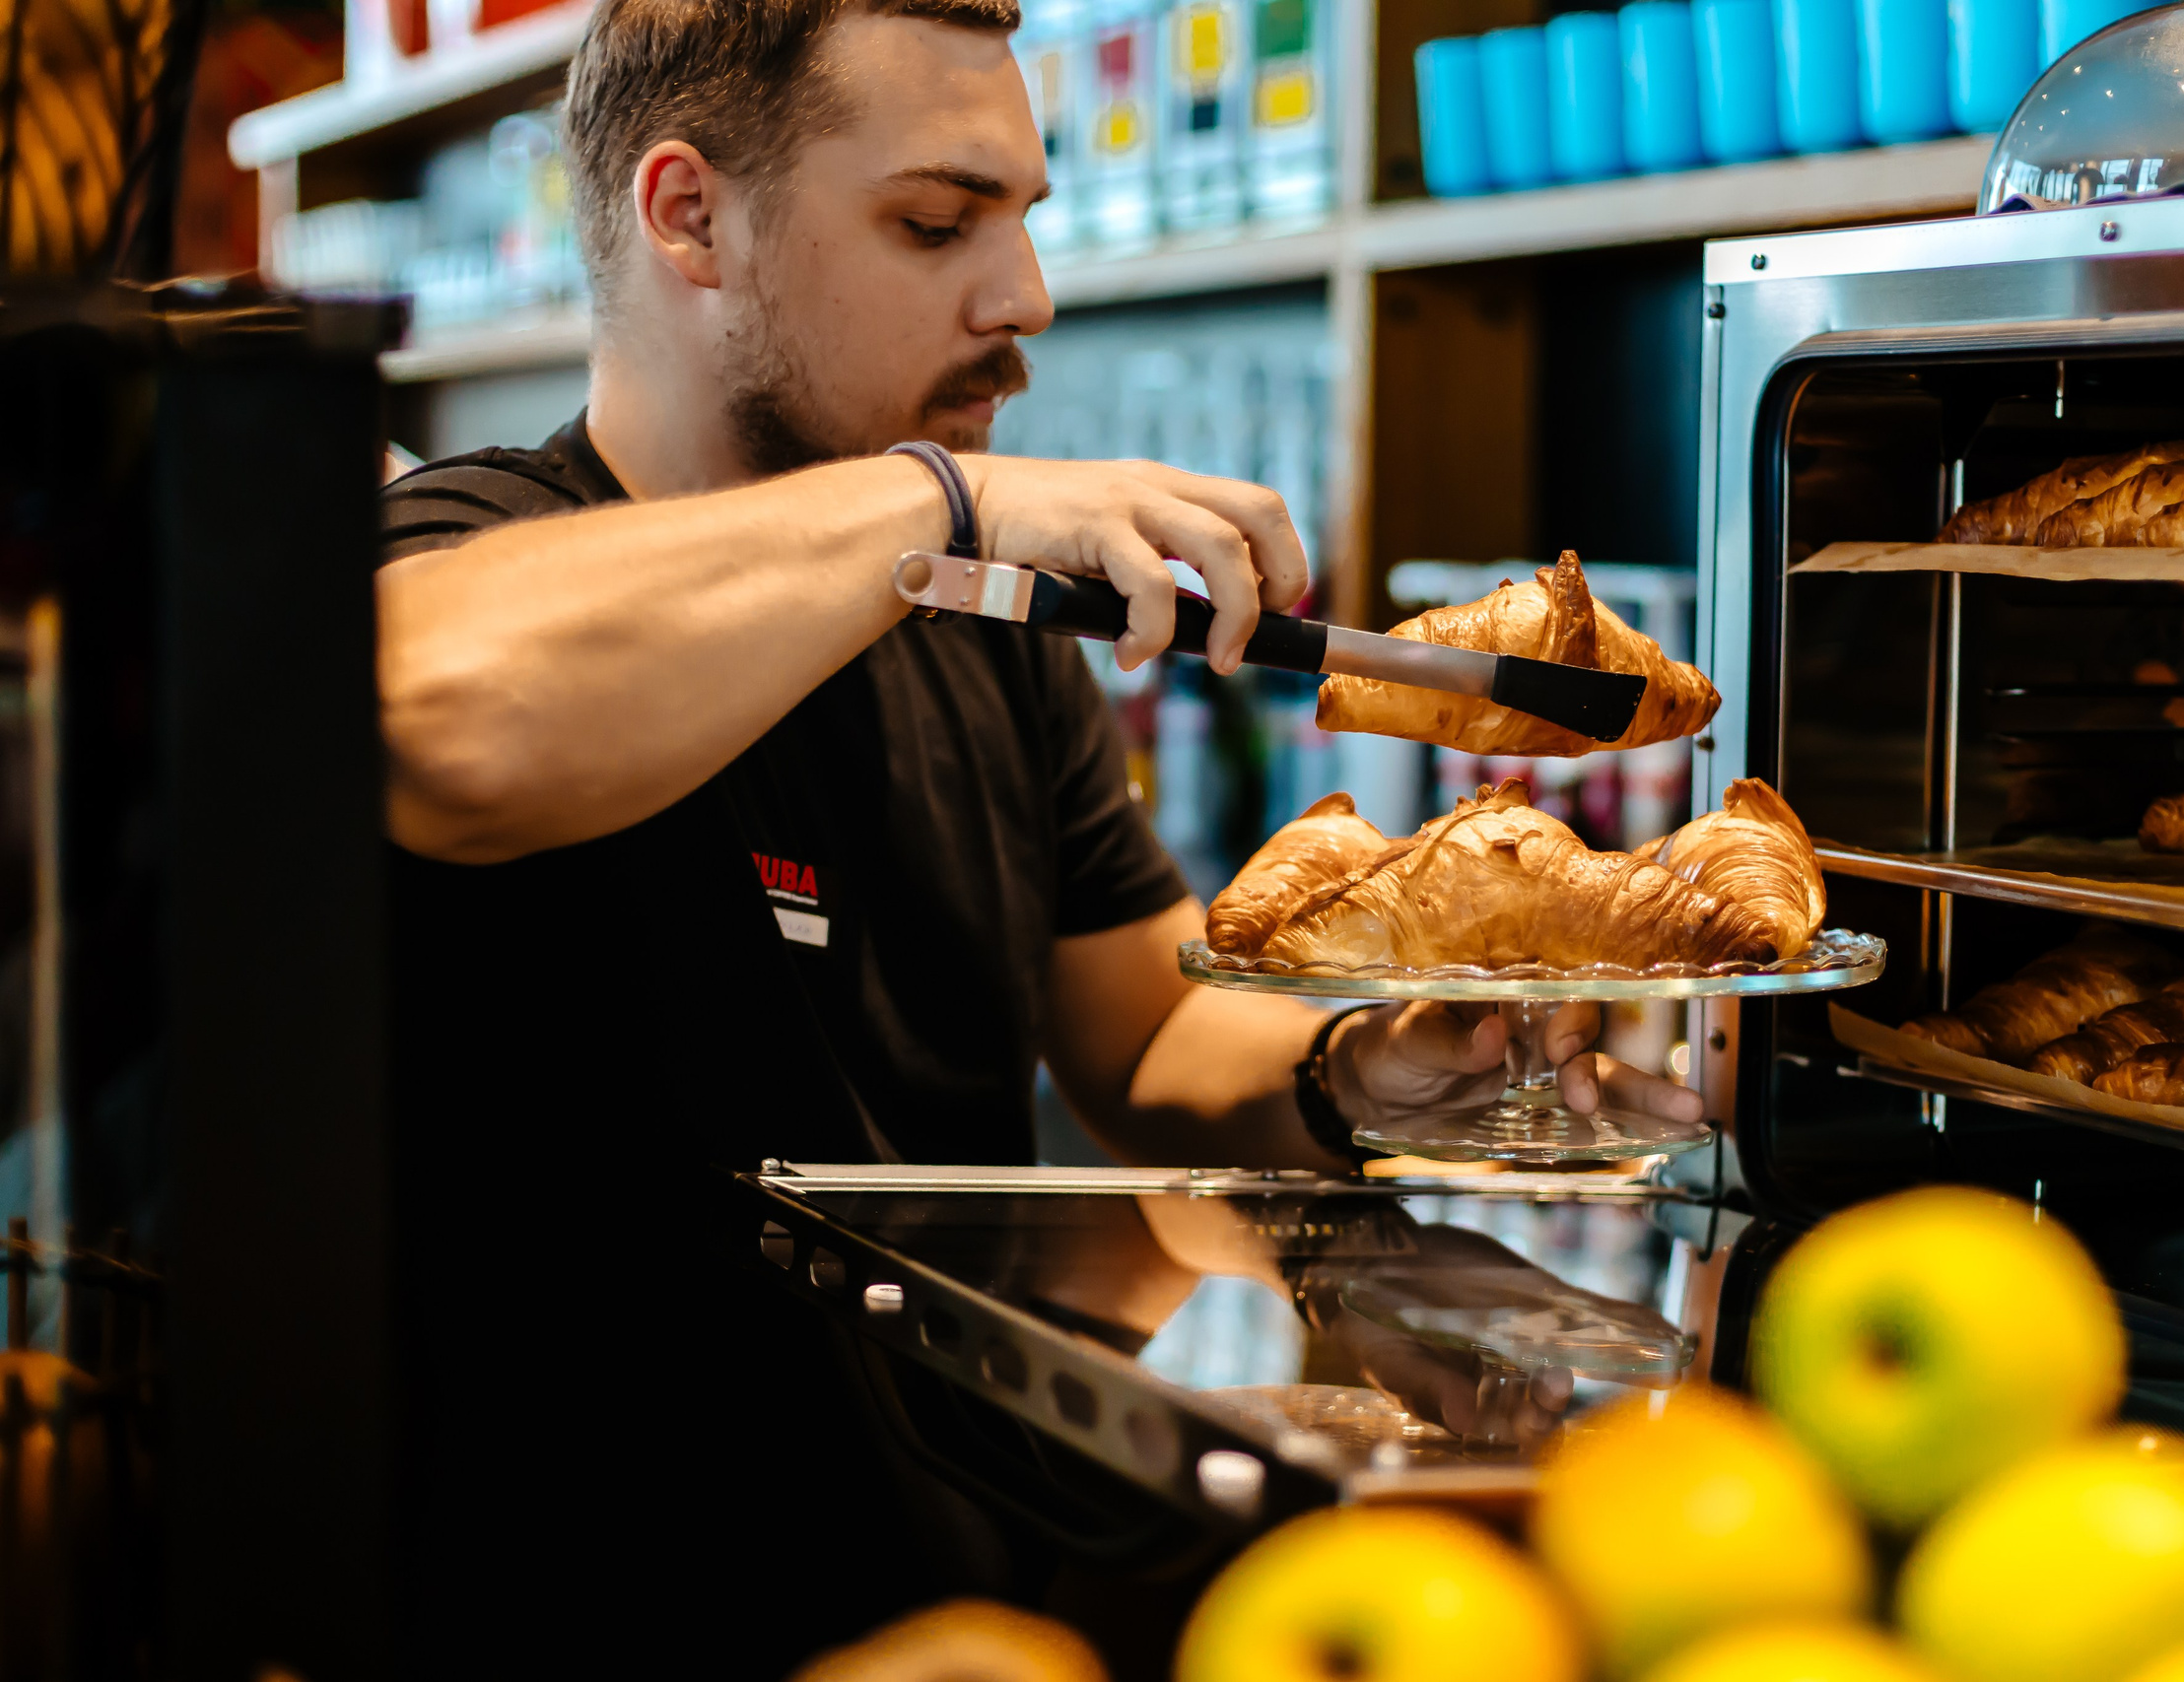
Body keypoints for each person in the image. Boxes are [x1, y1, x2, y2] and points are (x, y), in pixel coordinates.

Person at [372, 0, 1702, 1672]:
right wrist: (954, 497)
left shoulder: (982, 640)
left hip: (966, 1614)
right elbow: (436, 720)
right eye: (937, 223)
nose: (1026, 302)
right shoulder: (472, 546)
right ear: (688, 215)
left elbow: (1137, 1031)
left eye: (1022, 223)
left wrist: (1358, 1069)